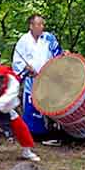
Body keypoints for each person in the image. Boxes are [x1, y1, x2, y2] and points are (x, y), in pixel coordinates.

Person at [13, 15, 64, 145]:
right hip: (32, 79)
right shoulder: (23, 41)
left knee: (50, 104)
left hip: (48, 78)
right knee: (32, 106)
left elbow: (57, 53)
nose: (42, 27)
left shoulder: (48, 38)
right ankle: (33, 133)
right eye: (39, 24)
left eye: (43, 24)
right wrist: (26, 67)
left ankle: (52, 133)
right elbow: (17, 60)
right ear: (31, 26)